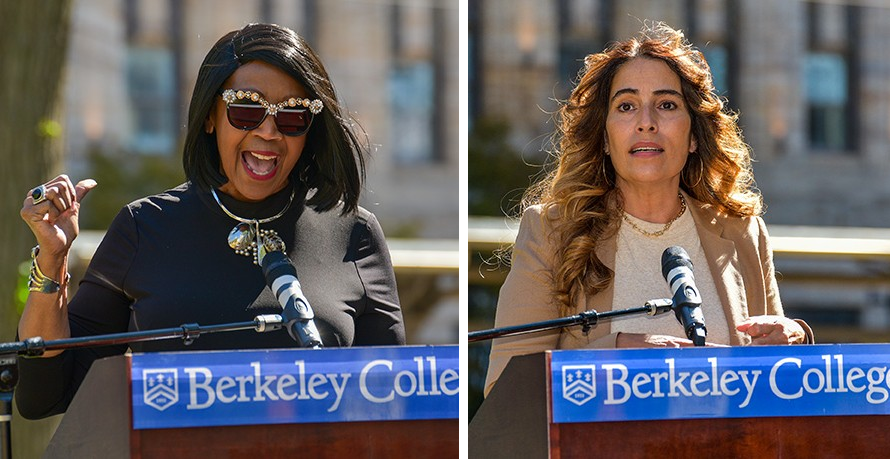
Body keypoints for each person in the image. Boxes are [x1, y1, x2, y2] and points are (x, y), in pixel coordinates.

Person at [14, 23, 405, 419]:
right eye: (247, 109)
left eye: (292, 117)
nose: (268, 132)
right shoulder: (144, 228)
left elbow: (395, 402)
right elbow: (46, 395)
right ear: (209, 117)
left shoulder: (355, 233)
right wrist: (52, 260)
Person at [482, 22, 814, 397]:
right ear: (605, 138)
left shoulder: (742, 231)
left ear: (693, 136)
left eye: (666, 105)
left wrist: (796, 339)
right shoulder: (552, 232)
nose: (646, 123)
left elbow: (778, 381)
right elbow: (505, 389)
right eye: (626, 106)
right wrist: (620, 350)